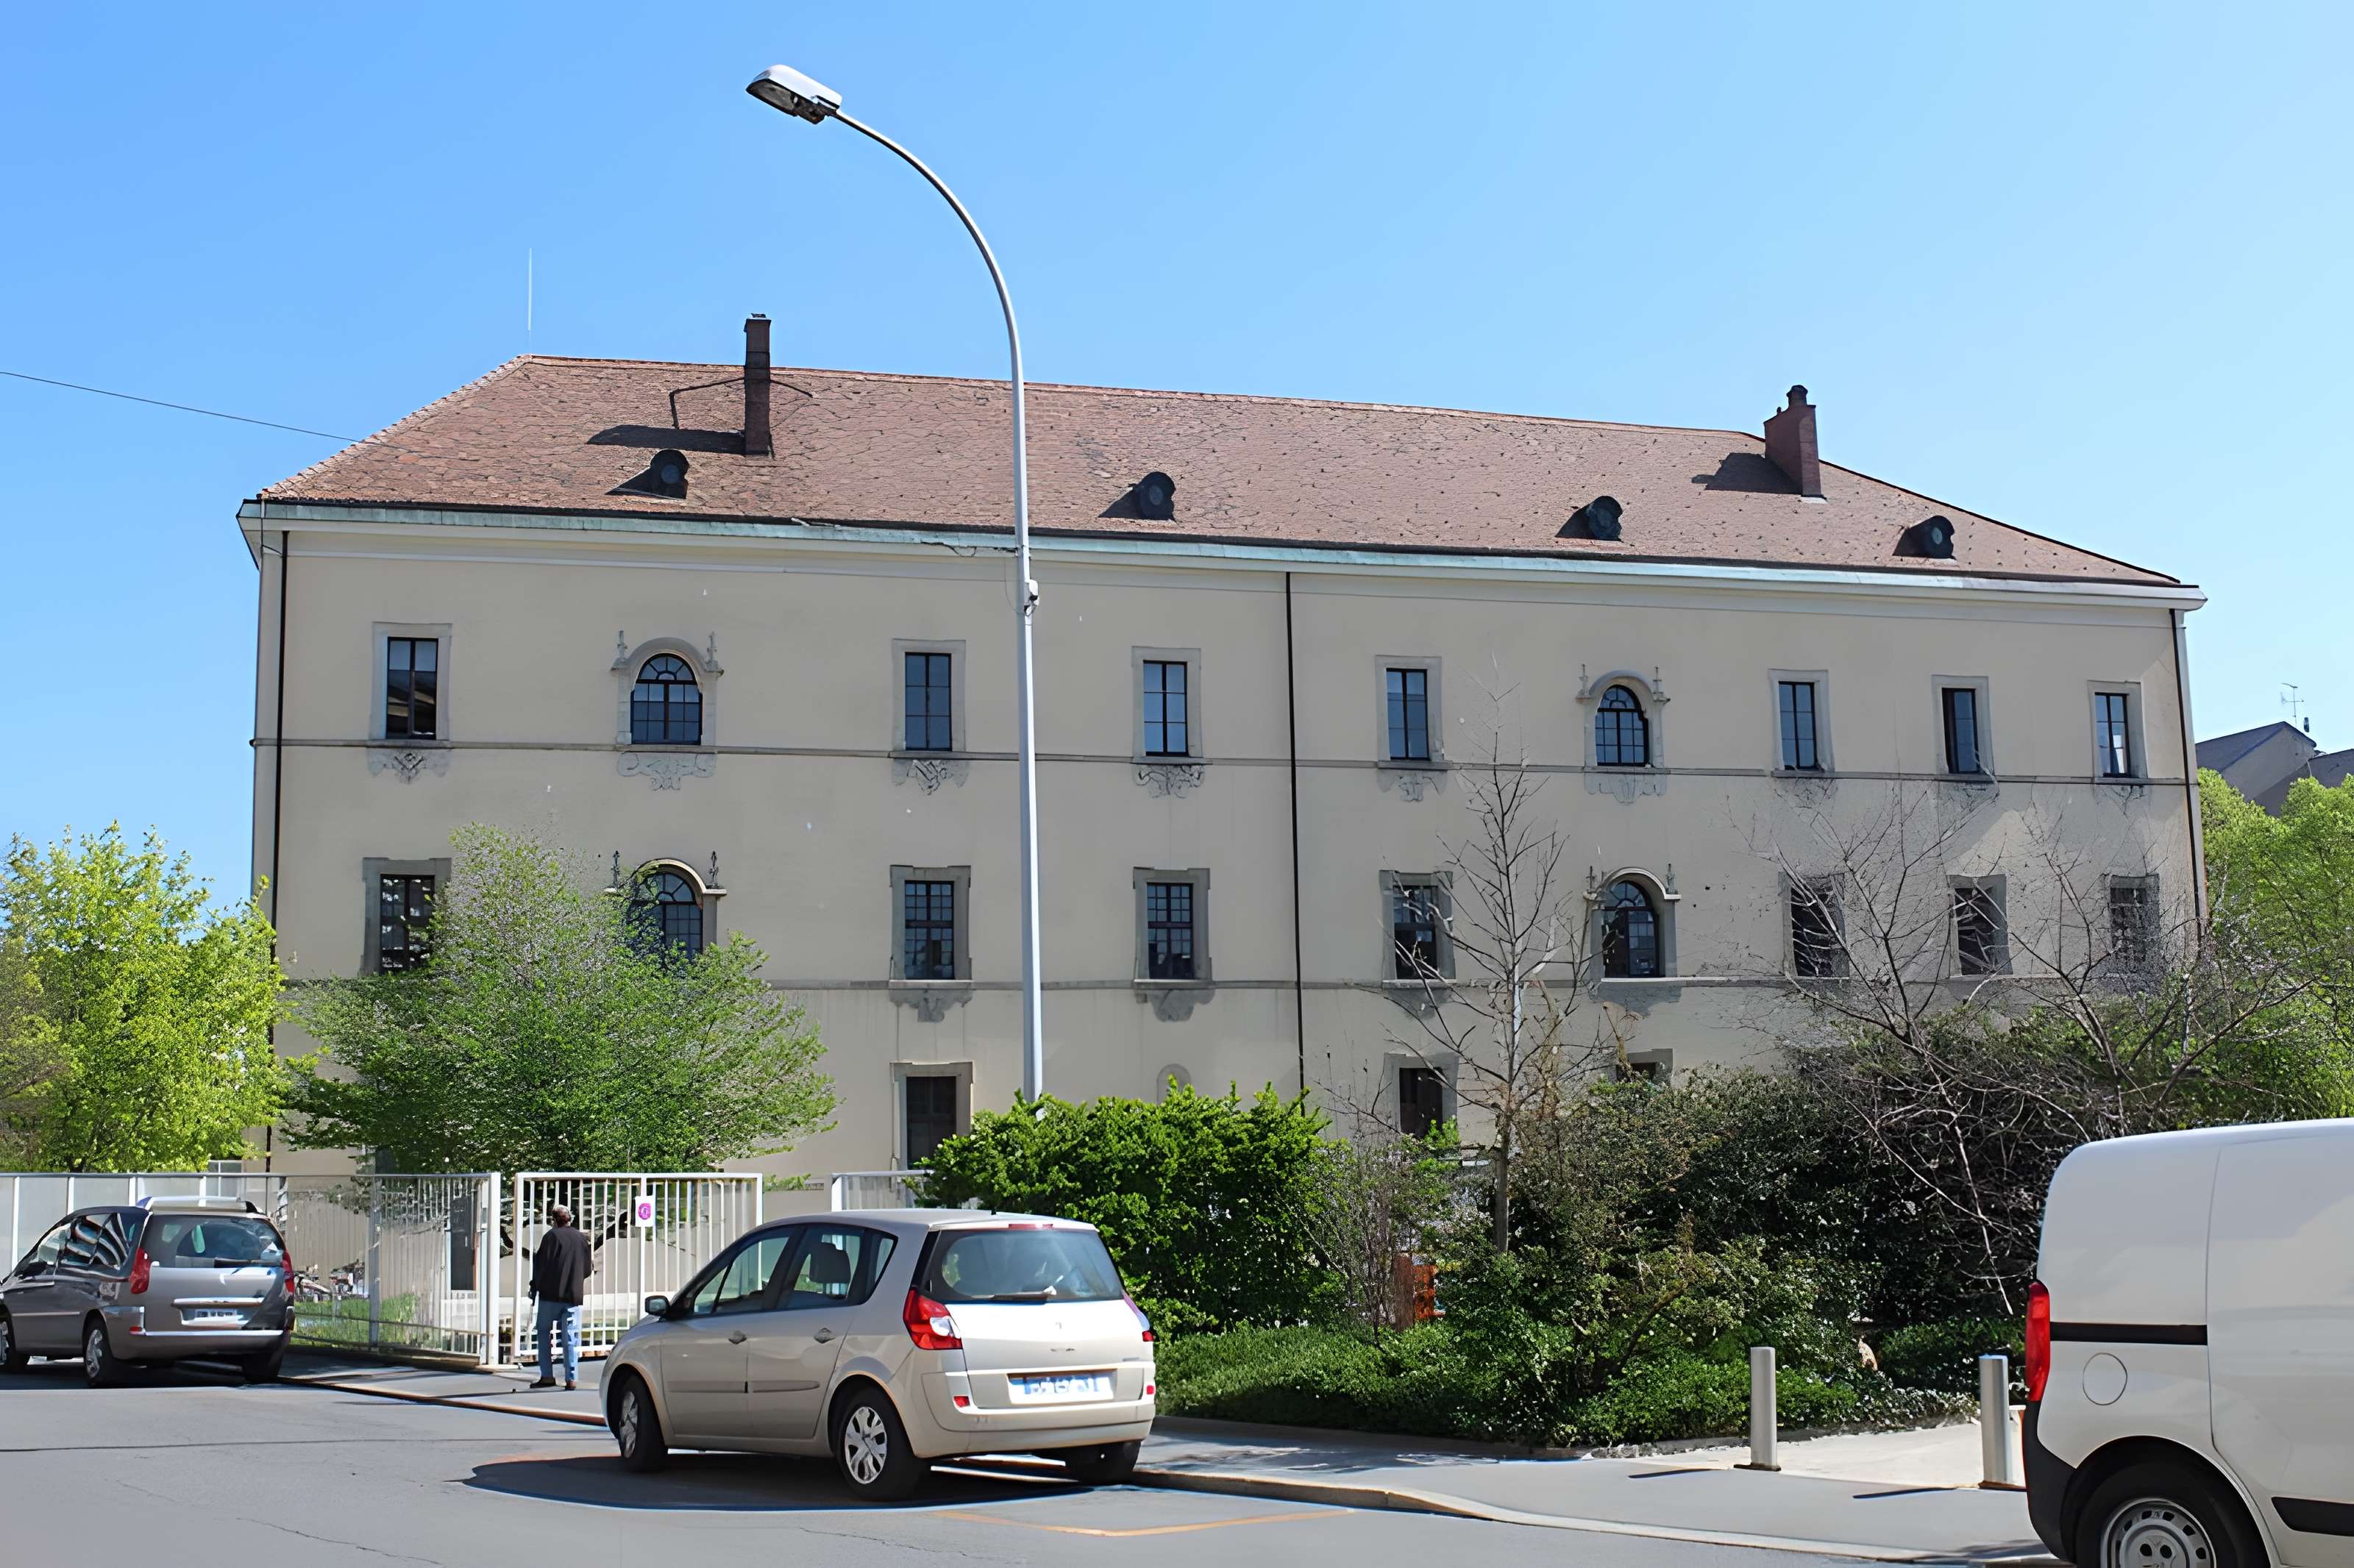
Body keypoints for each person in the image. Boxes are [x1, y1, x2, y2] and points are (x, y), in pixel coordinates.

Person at [528, 1205, 594, 1390]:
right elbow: (587, 1270)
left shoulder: (550, 1237)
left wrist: (536, 1286)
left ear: (554, 1220)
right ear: (570, 1218)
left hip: (550, 1295)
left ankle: (547, 1376)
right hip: (572, 1295)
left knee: (543, 1332)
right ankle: (571, 1378)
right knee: (570, 1337)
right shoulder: (582, 1239)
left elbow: (540, 1265)